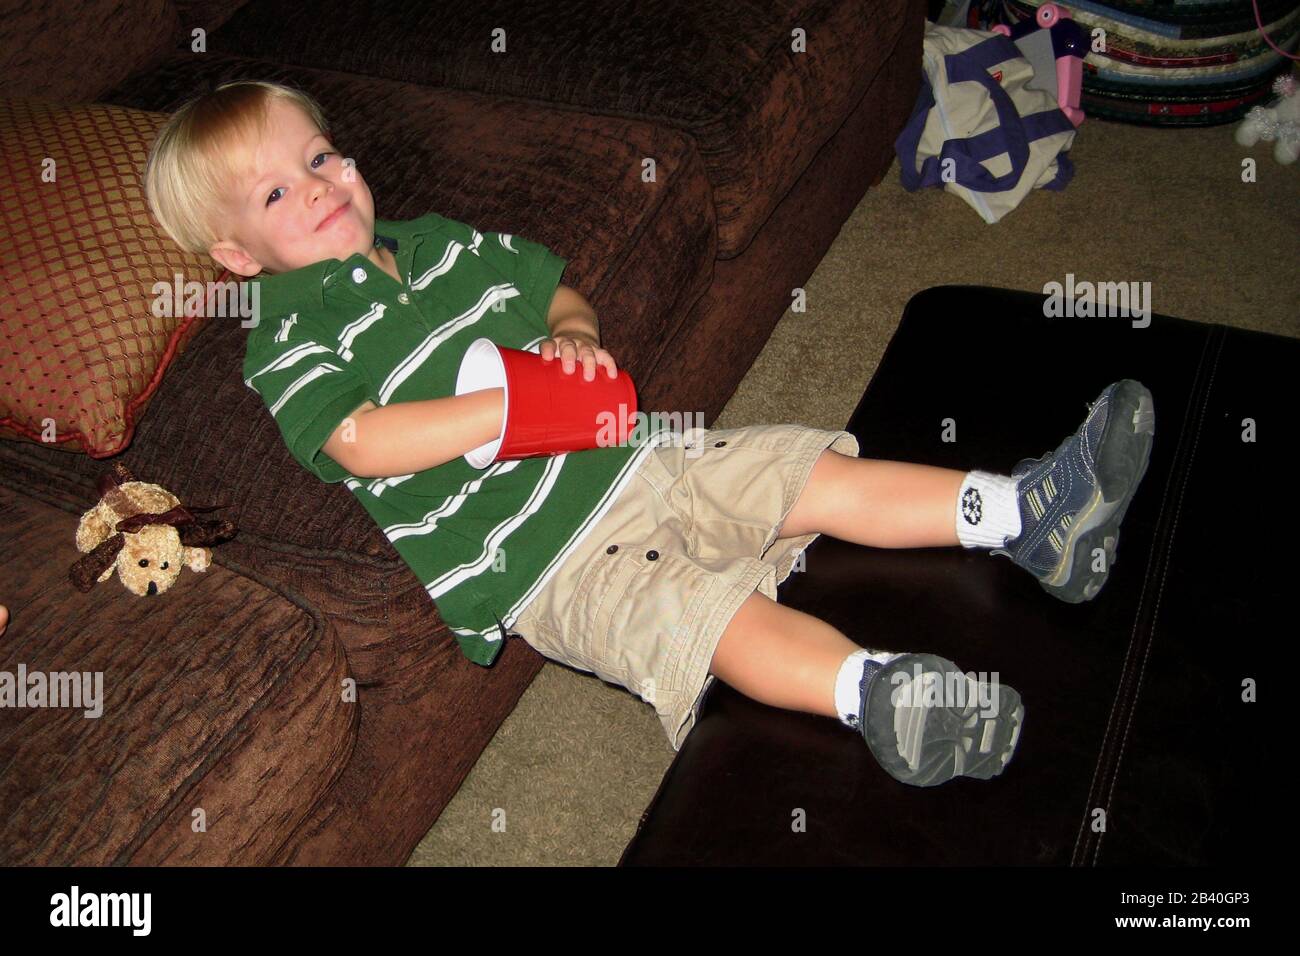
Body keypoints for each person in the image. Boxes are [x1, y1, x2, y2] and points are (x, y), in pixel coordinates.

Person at [142, 81, 1154, 787]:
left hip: (637, 455)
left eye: (318, 156)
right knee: (703, 616)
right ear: (236, 253)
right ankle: (881, 693)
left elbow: (550, 287)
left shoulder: (438, 244)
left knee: (795, 468)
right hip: (553, 565)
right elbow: (359, 440)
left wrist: (573, 336)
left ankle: (1027, 511)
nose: (318, 185)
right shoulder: (286, 335)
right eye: (279, 191)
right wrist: (499, 409)